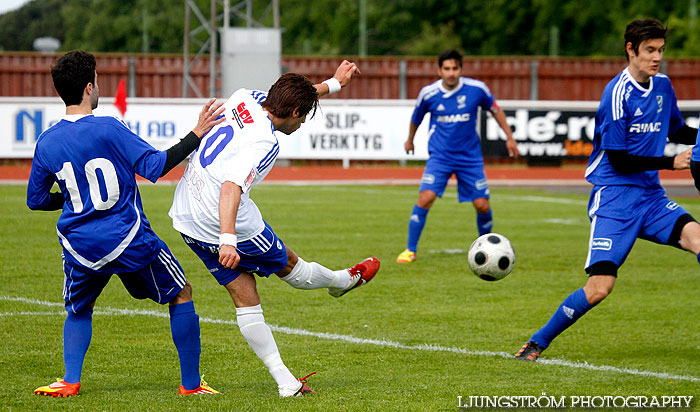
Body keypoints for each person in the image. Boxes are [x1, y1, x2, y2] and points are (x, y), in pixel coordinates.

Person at [168, 61, 380, 397]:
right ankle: (342, 281)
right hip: (222, 216)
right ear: (295, 111)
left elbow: (300, 96)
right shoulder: (266, 143)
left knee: (244, 293)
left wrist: (335, 84)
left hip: (187, 214)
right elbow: (230, 188)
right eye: (304, 116)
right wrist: (228, 241)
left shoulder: (245, 97)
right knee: (290, 267)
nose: (301, 123)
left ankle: (286, 383)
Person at [27, 50, 226, 396]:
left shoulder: (46, 141)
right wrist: (197, 133)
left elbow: (37, 200)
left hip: (80, 245)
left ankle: (70, 381)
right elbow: (156, 166)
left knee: (78, 309)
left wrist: (77, 197)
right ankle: (191, 386)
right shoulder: (108, 127)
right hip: (128, 238)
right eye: (98, 80)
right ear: (89, 87)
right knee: (181, 293)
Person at [515, 19, 699, 361]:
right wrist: (672, 162)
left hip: (651, 198)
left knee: (699, 240)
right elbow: (618, 159)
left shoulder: (663, 86)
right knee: (600, 288)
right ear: (630, 50)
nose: (657, 57)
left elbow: (678, 129)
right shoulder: (616, 94)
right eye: (649, 50)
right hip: (614, 197)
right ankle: (536, 342)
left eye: (660, 50)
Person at [396, 49, 518, 264]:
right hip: (440, 157)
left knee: (482, 205)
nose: (451, 73)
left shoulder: (476, 90)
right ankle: (410, 250)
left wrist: (509, 137)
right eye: (446, 69)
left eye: (454, 68)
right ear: (439, 70)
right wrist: (410, 139)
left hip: (470, 158)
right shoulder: (429, 94)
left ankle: (486, 246)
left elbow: (496, 110)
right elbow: (416, 118)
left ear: (461, 70)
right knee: (425, 198)